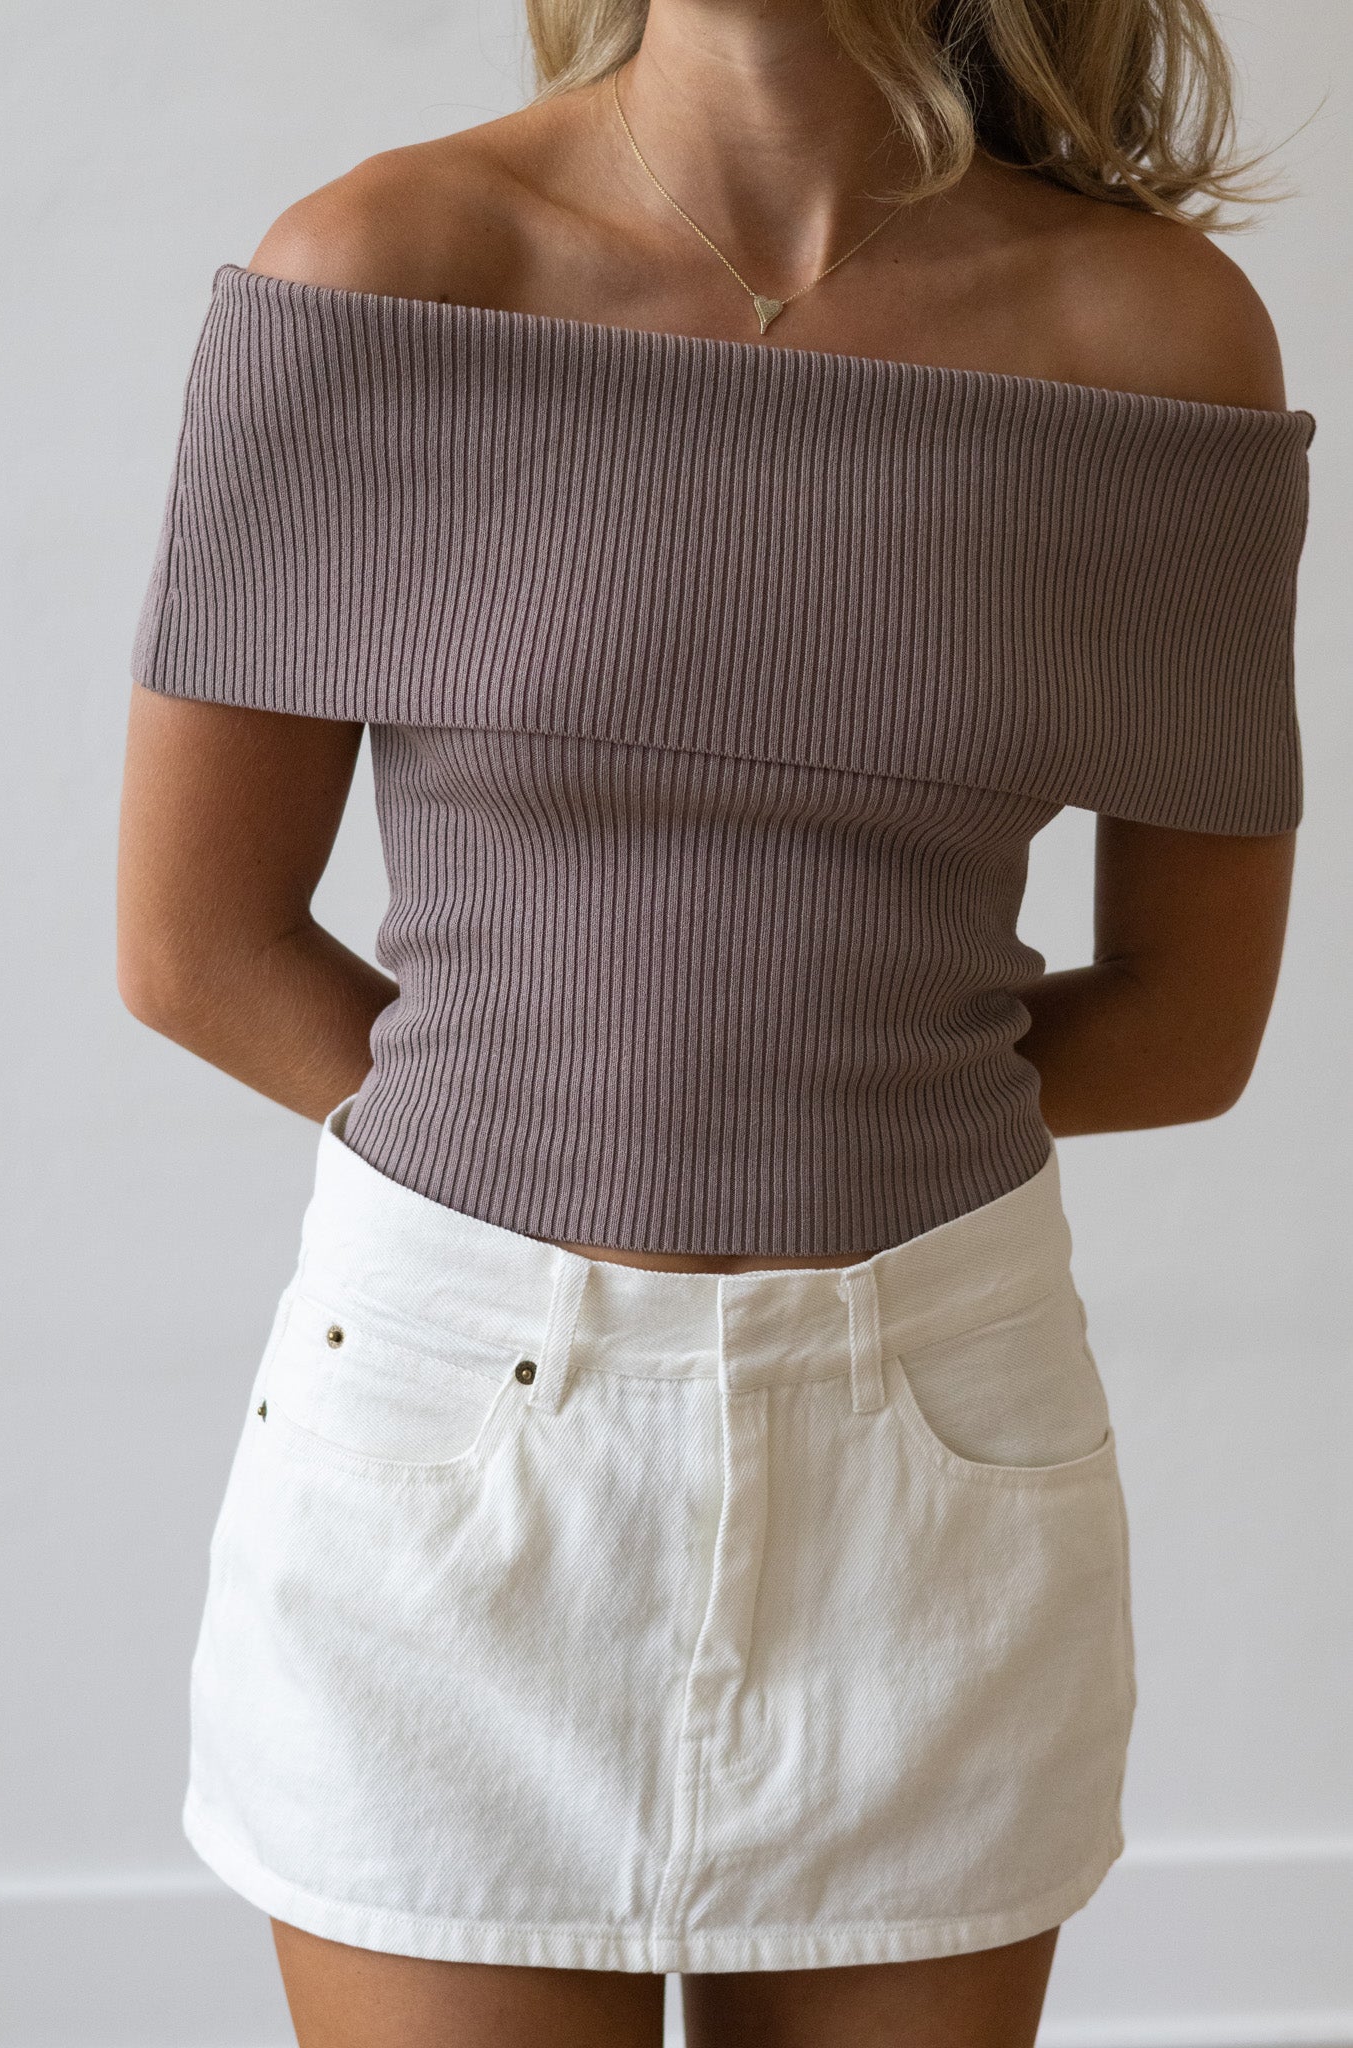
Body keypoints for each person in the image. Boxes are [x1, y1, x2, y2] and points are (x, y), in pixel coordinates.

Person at [115, 2, 1315, 2042]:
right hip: (446, 1460)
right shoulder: (382, 273)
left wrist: (820, 1139)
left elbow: (1187, 1024)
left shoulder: (1153, 338)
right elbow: (197, 946)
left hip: (926, 1460)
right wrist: (539, 1174)